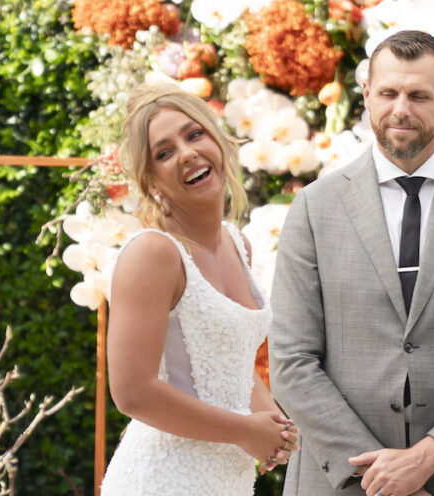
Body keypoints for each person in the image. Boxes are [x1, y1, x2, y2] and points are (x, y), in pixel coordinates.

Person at [269, 30, 434, 496]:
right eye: (389, 93)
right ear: (368, 94)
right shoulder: (314, 207)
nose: (401, 109)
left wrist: (426, 457)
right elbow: (292, 361)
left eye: (419, 95)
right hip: (337, 481)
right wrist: (378, 475)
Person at [99, 82, 299, 495]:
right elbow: (132, 393)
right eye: (164, 153)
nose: (187, 153)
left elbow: (230, 363)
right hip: (162, 478)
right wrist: (245, 431)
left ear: (218, 142)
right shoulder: (153, 254)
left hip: (227, 480)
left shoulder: (237, 243)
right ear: (151, 181)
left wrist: (274, 425)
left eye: (194, 135)